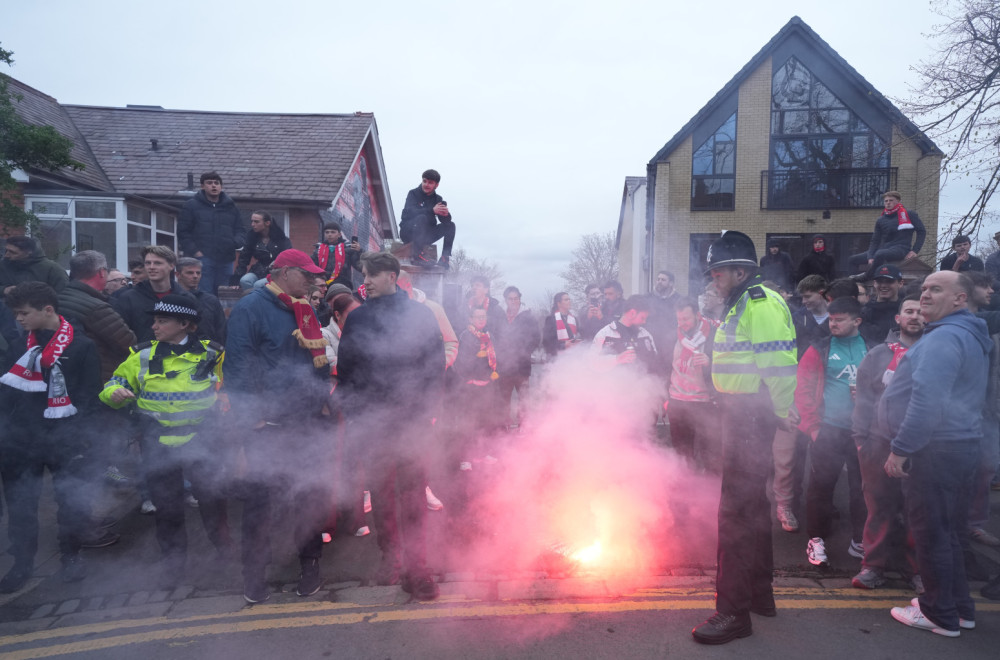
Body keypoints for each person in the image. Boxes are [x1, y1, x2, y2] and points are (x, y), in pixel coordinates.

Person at [691, 231, 798, 645]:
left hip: (752, 416)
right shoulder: (740, 304)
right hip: (744, 414)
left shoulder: (760, 303)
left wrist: (781, 413)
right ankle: (758, 595)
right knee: (752, 507)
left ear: (739, 271)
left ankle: (732, 613)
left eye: (718, 272)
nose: (714, 280)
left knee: (734, 514)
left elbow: (779, 365)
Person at [881, 271, 989, 637]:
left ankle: (939, 613)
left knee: (932, 535)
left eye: (936, 289)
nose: (925, 295)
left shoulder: (943, 339)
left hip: (935, 451)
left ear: (960, 299)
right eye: (924, 288)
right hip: (959, 448)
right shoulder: (965, 333)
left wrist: (900, 449)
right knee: (950, 533)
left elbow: (927, 402)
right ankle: (958, 608)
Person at [223, 249, 332, 603]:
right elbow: (237, 368)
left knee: (307, 496)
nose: (314, 281)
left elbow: (313, 364)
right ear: (284, 273)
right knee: (259, 503)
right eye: (307, 275)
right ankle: (253, 575)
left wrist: (320, 403)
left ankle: (310, 564)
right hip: (265, 425)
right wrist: (249, 417)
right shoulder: (250, 308)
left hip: (303, 420)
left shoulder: (303, 307)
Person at [336, 251, 445, 601]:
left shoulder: (420, 314)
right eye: (363, 275)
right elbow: (348, 370)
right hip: (373, 421)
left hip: (412, 420)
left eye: (370, 275)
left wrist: (428, 410)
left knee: (413, 495)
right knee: (382, 492)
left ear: (391, 276)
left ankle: (419, 568)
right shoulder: (358, 318)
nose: (364, 281)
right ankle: (389, 558)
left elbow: (434, 365)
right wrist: (355, 414)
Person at [99, 295, 231, 583]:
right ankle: (174, 566)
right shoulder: (141, 356)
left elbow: (224, 388)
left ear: (185, 324)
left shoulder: (213, 354)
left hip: (203, 442)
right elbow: (113, 385)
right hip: (158, 445)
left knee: (212, 502)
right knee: (168, 510)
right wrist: (114, 393)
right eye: (155, 320)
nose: (154, 326)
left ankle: (224, 553)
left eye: (162, 321)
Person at [0, 282, 101, 592]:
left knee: (69, 501)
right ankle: (23, 563)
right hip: (22, 439)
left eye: (23, 313)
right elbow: (8, 392)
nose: (19, 320)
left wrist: (79, 437)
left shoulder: (81, 347)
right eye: (16, 314)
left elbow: (88, 398)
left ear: (47, 310)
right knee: (20, 504)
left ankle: (71, 555)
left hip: (64, 437)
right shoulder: (21, 345)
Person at [851, 295, 925, 592]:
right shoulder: (879, 354)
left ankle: (917, 569)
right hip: (878, 442)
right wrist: (860, 440)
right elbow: (863, 400)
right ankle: (873, 566)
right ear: (898, 318)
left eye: (921, 311)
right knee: (879, 506)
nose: (915, 316)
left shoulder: (934, 352)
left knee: (916, 509)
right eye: (909, 311)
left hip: (921, 445)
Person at [796, 296, 871, 568]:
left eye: (839, 319)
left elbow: (887, 386)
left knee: (861, 489)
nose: (833, 323)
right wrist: (813, 427)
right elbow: (803, 389)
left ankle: (859, 540)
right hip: (828, 430)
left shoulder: (872, 348)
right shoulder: (820, 348)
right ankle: (816, 539)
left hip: (861, 432)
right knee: (820, 487)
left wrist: (868, 395)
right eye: (831, 319)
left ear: (857, 321)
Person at [58, 251, 136, 383]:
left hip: (64, 374)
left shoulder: (58, 299)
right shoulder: (97, 308)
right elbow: (128, 343)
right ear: (101, 272)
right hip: (96, 378)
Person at [665, 297, 720, 472]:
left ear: (697, 315)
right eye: (679, 319)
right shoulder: (672, 335)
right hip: (677, 401)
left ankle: (708, 492)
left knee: (709, 452)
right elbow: (665, 366)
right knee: (681, 454)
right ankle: (685, 491)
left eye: (686, 319)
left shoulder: (714, 334)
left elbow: (730, 364)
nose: (683, 323)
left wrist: (711, 363)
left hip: (705, 402)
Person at [112, 246, 200, 344]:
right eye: (148, 263)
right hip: (140, 356)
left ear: (171, 266)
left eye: (157, 263)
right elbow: (118, 335)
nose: (151, 267)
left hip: (179, 357)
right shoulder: (128, 298)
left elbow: (196, 332)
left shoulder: (186, 298)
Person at [177, 171, 246, 294]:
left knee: (223, 294)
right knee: (205, 293)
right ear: (202, 186)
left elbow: (241, 230)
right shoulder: (191, 206)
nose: (214, 186)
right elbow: (183, 232)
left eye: (217, 183)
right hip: (203, 259)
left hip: (226, 259)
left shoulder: (231, 207)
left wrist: (234, 243)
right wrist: (196, 252)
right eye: (209, 183)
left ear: (221, 186)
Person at [849, 191, 926, 281]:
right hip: (883, 248)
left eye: (891, 200)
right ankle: (851, 283)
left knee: (880, 254)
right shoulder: (881, 219)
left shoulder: (909, 214)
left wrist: (914, 251)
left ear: (898, 201)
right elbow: (875, 240)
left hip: (901, 248)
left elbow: (922, 232)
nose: (888, 203)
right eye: (886, 201)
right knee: (852, 259)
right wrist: (870, 256)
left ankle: (867, 276)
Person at [496, 286, 540, 429]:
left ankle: (524, 426)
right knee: (503, 400)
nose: (514, 301)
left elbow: (536, 338)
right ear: (506, 300)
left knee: (524, 400)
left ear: (520, 299)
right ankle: (504, 426)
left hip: (522, 366)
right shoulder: (500, 316)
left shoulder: (528, 317)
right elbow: (495, 336)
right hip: (504, 366)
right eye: (510, 299)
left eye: (516, 298)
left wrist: (523, 352)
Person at [399, 169, 454, 269]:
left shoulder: (437, 199)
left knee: (450, 225)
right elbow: (410, 212)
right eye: (425, 181)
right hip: (408, 232)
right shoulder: (413, 194)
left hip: (425, 235)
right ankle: (417, 256)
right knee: (422, 218)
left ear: (436, 185)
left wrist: (445, 214)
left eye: (430, 182)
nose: (426, 184)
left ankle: (445, 258)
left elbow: (446, 222)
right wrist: (432, 211)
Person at [591, 295, 657, 372]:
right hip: (612, 383)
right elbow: (592, 362)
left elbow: (655, 363)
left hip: (643, 382)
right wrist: (616, 359)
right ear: (632, 313)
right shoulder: (605, 334)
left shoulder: (646, 335)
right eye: (642, 317)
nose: (644, 322)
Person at [235, 211, 292, 289]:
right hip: (258, 271)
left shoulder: (281, 239)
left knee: (258, 285)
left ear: (267, 223)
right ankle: (252, 300)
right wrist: (236, 280)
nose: (252, 224)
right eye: (252, 221)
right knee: (245, 281)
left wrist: (277, 263)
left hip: (276, 274)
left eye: (256, 222)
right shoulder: (252, 238)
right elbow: (244, 258)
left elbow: (288, 257)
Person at [175, 258, 226, 344]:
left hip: (208, 351)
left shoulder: (212, 300)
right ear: (178, 275)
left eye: (198, 273)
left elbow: (221, 331)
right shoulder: (171, 299)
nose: (195, 276)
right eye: (190, 272)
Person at [0, 236, 68, 298]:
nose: (6, 255)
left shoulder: (53, 269)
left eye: (12, 252)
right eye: (6, 250)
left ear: (28, 252)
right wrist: (4, 290)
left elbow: (63, 296)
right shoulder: (3, 265)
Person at [646, 271, 681, 378]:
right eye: (658, 279)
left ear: (671, 283)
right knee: (650, 374)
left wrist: (673, 335)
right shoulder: (648, 298)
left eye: (663, 280)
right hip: (651, 343)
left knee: (668, 374)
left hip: (670, 345)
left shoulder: (679, 300)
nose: (659, 282)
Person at [860, 264, 903, 344]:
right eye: (880, 281)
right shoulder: (864, 313)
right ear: (874, 283)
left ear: (900, 283)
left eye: (889, 281)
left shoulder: (906, 311)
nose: (883, 285)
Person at [311, 221, 361, 289]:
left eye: (333, 232)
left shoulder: (348, 249)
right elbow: (312, 267)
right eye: (327, 232)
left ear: (339, 234)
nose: (329, 234)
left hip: (342, 285)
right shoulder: (319, 249)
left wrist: (359, 252)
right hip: (323, 285)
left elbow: (359, 266)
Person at [792, 275, 829, 359]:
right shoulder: (797, 318)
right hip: (805, 367)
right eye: (802, 297)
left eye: (807, 297)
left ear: (822, 294)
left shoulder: (838, 316)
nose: (803, 301)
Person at [542, 292, 580, 358]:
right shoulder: (551, 319)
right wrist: (563, 345)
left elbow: (577, 336)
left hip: (572, 358)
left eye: (569, 299)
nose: (569, 301)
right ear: (559, 303)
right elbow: (546, 342)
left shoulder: (574, 319)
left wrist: (577, 341)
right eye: (566, 300)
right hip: (556, 359)